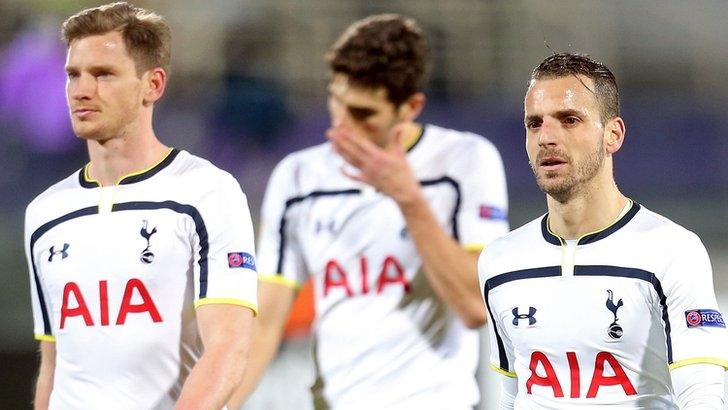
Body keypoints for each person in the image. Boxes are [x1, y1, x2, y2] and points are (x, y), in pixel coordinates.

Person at [230, 14, 509, 409]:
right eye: (337, 104)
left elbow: (476, 306)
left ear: (410, 107)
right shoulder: (297, 178)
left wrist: (407, 197)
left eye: (363, 115)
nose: (342, 128)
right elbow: (264, 324)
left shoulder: (463, 162)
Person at [24, 3, 258, 408]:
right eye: (73, 74)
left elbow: (228, 351)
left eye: (103, 74)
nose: (81, 90)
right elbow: (54, 363)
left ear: (153, 85)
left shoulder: (207, 193)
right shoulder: (44, 213)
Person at [478, 52, 728, 409]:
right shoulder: (500, 261)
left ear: (613, 134)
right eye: (535, 123)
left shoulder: (673, 251)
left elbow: (703, 395)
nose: (547, 137)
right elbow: (510, 394)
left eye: (569, 120)